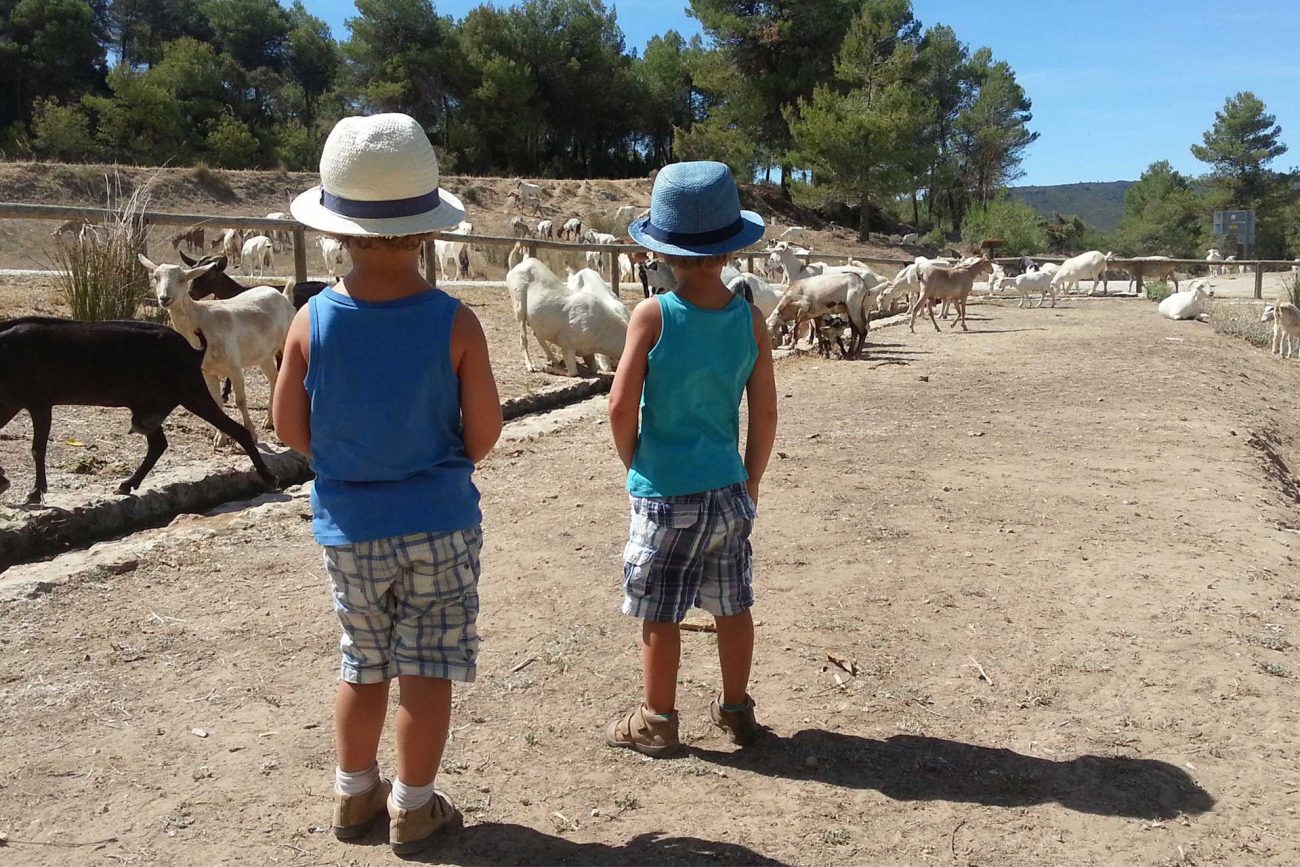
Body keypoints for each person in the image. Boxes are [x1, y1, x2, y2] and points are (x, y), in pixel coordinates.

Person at [273, 113, 502, 855]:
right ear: (428, 229)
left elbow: (288, 426)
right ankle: (414, 805)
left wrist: (347, 460)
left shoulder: (311, 319)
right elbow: (484, 434)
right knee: (426, 669)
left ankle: (353, 793)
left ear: (337, 229)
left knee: (362, 662)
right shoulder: (456, 322)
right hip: (439, 522)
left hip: (350, 527)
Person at [605, 160, 778, 756]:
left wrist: (635, 463)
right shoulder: (750, 319)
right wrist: (750, 479)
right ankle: (737, 710)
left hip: (665, 490)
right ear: (730, 248)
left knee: (660, 609)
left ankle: (657, 719)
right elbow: (765, 413)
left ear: (662, 250)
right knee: (733, 603)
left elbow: (619, 406)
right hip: (727, 488)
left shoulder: (653, 314)